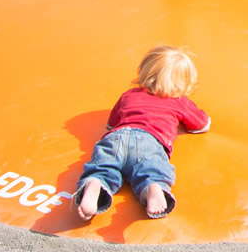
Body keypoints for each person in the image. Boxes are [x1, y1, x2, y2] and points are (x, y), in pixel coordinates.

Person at [75, 46, 211, 220]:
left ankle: (96, 183)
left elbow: (111, 124)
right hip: (150, 141)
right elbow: (201, 124)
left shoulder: (128, 95)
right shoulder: (179, 102)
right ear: (183, 84)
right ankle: (153, 187)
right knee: (152, 169)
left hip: (117, 137)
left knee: (103, 166)